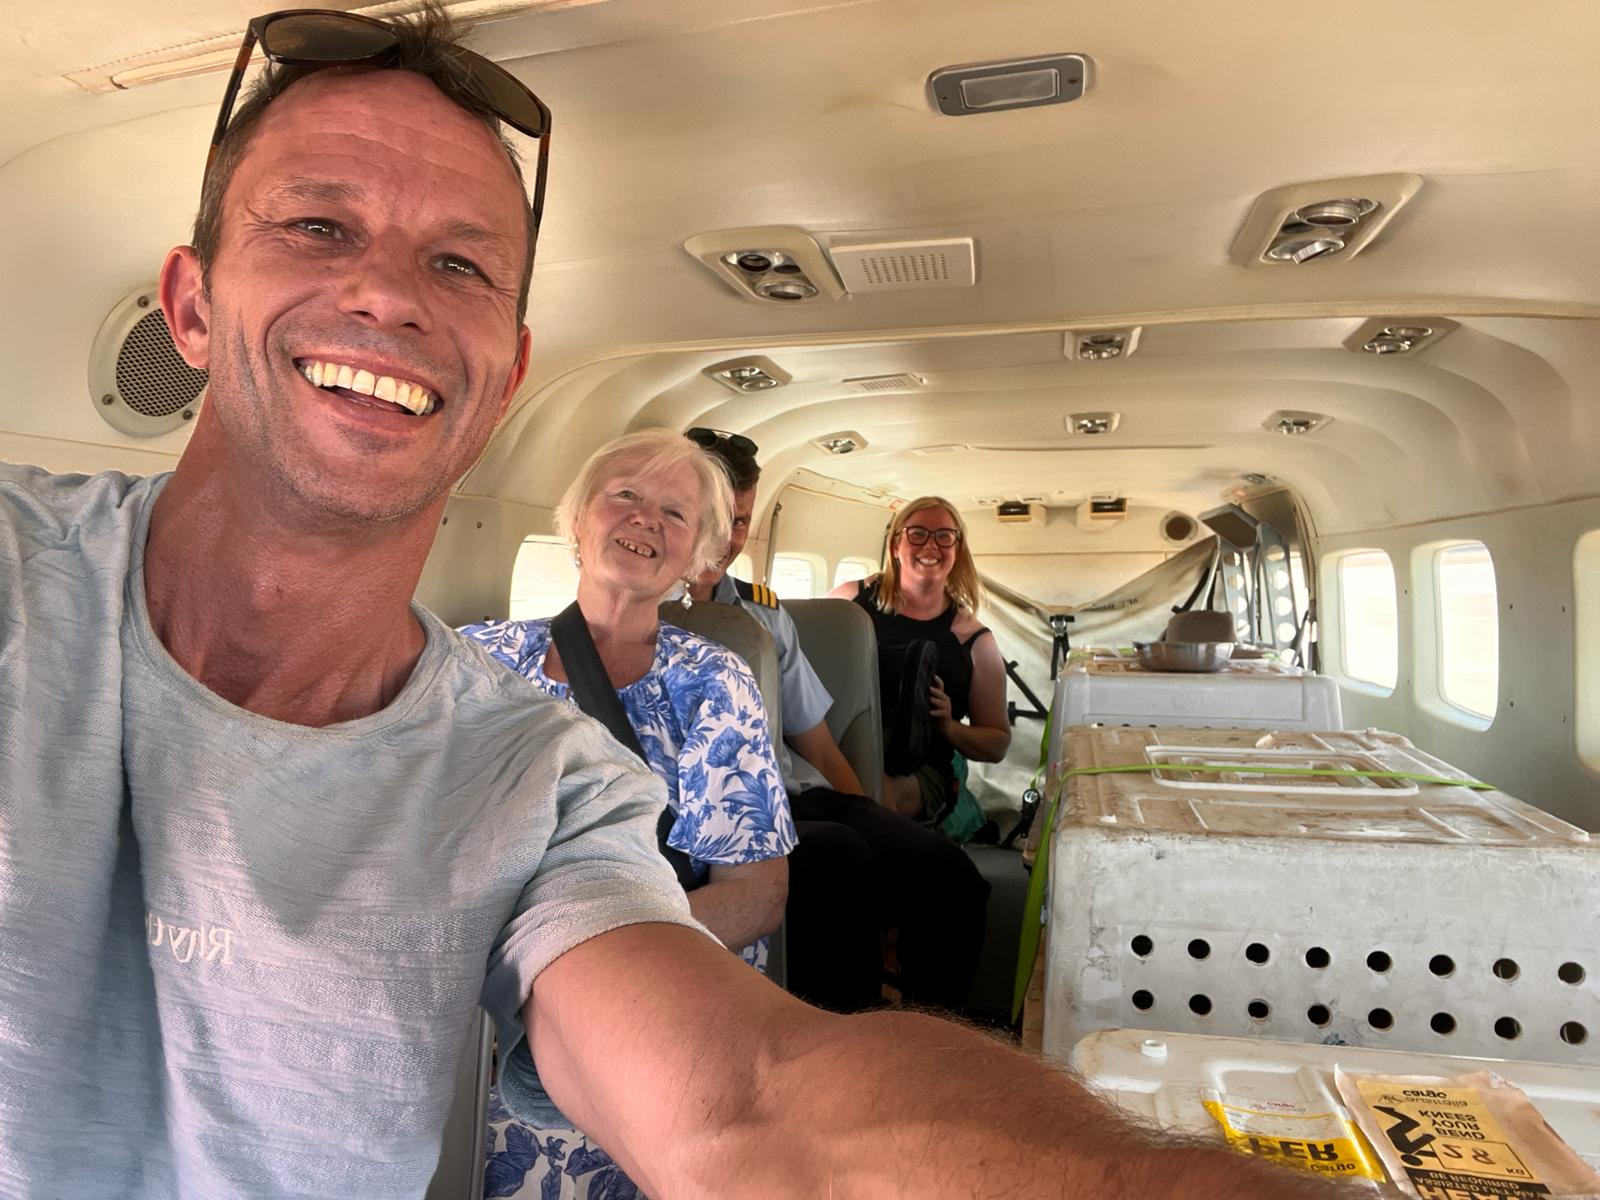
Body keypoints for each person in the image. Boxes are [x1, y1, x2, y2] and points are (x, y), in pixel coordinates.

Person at [0, 7, 1381, 1198]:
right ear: (187, 306)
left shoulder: (535, 777)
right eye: (316, 226)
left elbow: (756, 1107)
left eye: (459, 264)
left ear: (509, 367)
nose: (384, 294)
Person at [460, 428, 795, 1197]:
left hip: (640, 1012)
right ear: (577, 520)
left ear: (699, 558)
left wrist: (575, 979)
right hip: (472, 1003)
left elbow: (754, 894)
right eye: (625, 496)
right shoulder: (475, 662)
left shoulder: (715, 684)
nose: (646, 520)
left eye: (675, 513)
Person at [686, 428, 990, 1015]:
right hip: (716, 815)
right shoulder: (629, 621)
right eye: (714, 514)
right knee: (836, 860)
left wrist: (875, 815)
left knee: (948, 874)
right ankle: (839, 1047)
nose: (728, 536)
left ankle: (932, 1044)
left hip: (795, 795)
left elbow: (815, 742)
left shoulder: (765, 619)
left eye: (743, 520)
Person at [828, 497, 1013, 824]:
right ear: (896, 544)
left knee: (873, 794)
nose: (931, 545)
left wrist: (948, 726)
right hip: (837, 747)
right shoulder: (848, 601)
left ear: (957, 550)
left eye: (944, 536)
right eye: (917, 534)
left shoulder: (973, 640)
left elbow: (996, 744)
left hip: (919, 770)